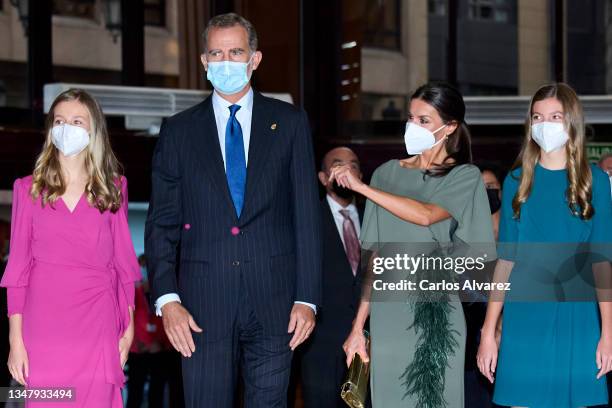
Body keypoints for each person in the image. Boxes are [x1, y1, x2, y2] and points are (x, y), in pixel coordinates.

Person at [145, 12, 321, 408]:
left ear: (254, 59)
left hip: (277, 304)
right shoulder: (178, 131)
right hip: (200, 307)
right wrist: (167, 299)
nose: (226, 62)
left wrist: (308, 299)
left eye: (236, 52)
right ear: (204, 62)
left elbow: (307, 218)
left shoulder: (290, 123)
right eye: (217, 54)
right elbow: (162, 223)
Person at [338, 82, 495, 408]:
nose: (414, 126)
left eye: (424, 120)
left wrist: (361, 188)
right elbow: (374, 260)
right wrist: (358, 328)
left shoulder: (464, 176)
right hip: (388, 315)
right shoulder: (385, 173)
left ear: (450, 126)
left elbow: (426, 216)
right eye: (411, 118)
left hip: (436, 311)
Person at [0, 88, 141, 406]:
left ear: (94, 130)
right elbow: (18, 270)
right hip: (44, 327)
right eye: (60, 120)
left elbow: (124, 264)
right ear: (50, 128)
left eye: (78, 121)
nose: (67, 127)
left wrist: (128, 326)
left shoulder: (114, 188)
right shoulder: (28, 189)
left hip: (99, 322)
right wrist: (15, 340)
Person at [477, 83, 612, 407]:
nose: (544, 124)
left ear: (571, 122)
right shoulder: (515, 182)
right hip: (525, 314)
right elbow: (505, 262)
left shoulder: (595, 181)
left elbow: (602, 263)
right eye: (537, 117)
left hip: (577, 315)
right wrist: (488, 332)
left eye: (554, 116)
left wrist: (608, 332)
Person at [298, 147, 364, 408]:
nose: (347, 171)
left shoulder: (379, 215)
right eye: (338, 165)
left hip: (370, 340)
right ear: (323, 177)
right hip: (321, 342)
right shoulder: (307, 218)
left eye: (354, 166)